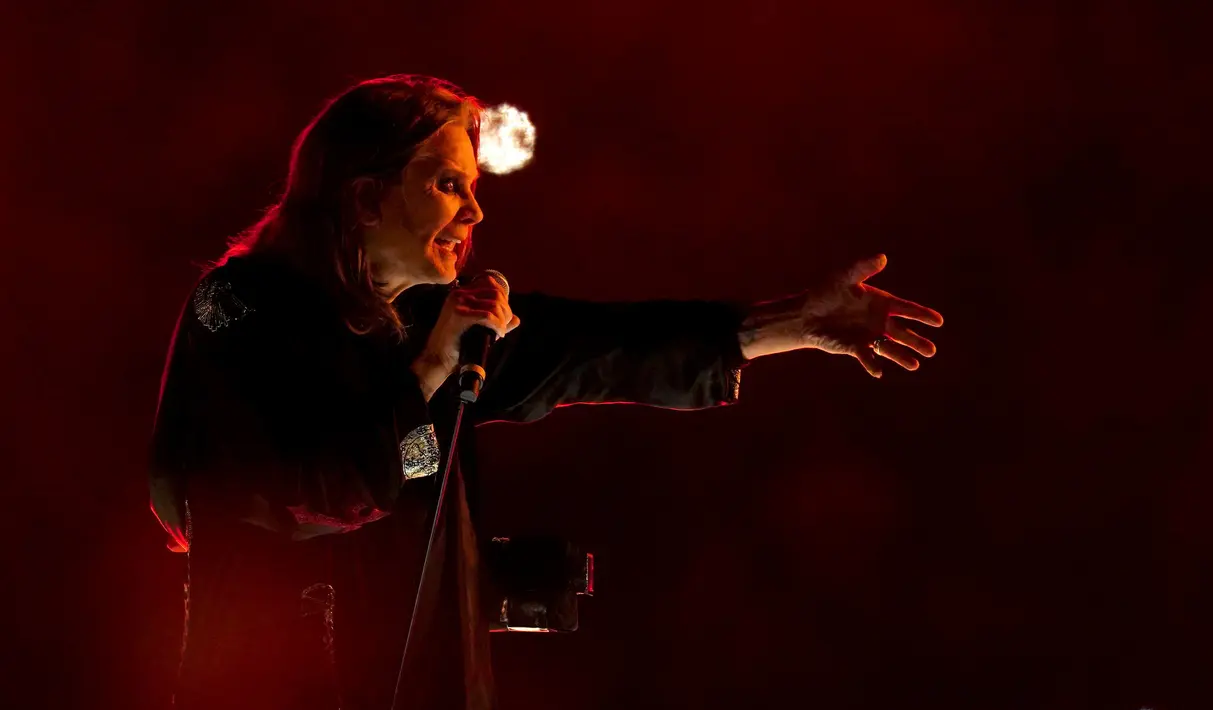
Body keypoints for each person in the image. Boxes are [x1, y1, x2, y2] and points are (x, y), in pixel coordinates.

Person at [148, 74, 943, 710]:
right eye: (448, 184)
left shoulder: (428, 318)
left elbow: (598, 349)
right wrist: (426, 371)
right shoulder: (241, 308)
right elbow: (308, 491)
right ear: (363, 197)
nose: (474, 209)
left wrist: (795, 322)